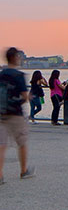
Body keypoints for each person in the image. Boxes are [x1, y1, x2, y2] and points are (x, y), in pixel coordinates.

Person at [0, 47, 35, 183]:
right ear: (15, 58)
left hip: (1, 113)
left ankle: (0, 175)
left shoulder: (1, 74)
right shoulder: (19, 76)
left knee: (1, 144)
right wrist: (28, 97)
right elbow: (24, 97)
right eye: (19, 56)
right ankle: (24, 171)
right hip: (16, 114)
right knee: (22, 142)